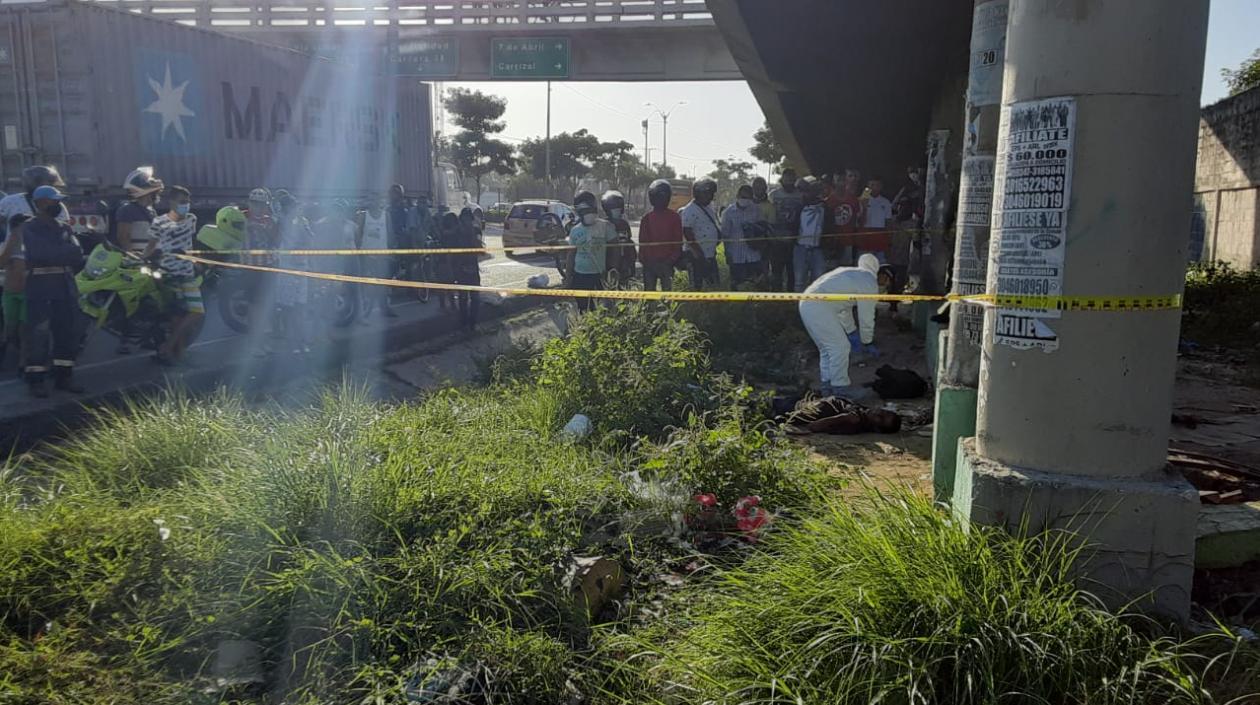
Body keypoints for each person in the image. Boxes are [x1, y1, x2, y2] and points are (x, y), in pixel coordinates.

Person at [22, 185, 84, 397]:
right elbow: (40, 252)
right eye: (54, 201)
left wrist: (60, 252)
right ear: (40, 203)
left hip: (65, 286)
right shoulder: (29, 227)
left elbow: (77, 254)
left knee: (66, 333)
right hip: (40, 288)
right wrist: (63, 251)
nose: (58, 205)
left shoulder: (64, 228)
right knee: (39, 335)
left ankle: (64, 377)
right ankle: (36, 381)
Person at [798, 254, 886, 399]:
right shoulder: (869, 281)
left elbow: (843, 308)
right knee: (840, 347)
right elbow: (867, 315)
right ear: (876, 270)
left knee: (828, 349)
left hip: (807, 302)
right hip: (819, 306)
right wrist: (867, 341)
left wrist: (851, 332)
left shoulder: (850, 273)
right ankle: (841, 389)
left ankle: (827, 388)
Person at [146, 186, 203, 365]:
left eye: (187, 202)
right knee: (176, 317)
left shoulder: (192, 219)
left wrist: (196, 261)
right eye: (182, 202)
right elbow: (152, 246)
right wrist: (144, 258)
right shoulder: (159, 222)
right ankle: (177, 355)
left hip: (187, 272)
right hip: (169, 274)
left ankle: (168, 347)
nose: (186, 205)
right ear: (171, 202)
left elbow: (189, 243)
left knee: (197, 311)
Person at [638, 179, 681, 292]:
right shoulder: (646, 218)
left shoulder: (674, 217)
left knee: (667, 297)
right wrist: (647, 262)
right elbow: (643, 243)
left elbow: (677, 243)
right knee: (650, 296)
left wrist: (670, 261)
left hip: (666, 264)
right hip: (652, 264)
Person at [0, 214, 31, 371]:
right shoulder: (9, 243)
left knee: (25, 330)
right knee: (9, 329)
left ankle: (23, 363)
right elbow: (1, 263)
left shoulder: (34, 243)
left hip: (28, 292)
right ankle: (5, 353)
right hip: (11, 292)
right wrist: (13, 241)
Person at [568, 199, 610, 312]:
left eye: (591, 210)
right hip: (580, 274)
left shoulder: (605, 226)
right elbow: (571, 255)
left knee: (604, 308)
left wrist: (613, 269)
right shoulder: (575, 231)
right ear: (580, 213)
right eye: (586, 211)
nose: (590, 214)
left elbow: (615, 248)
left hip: (600, 274)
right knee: (584, 306)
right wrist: (568, 276)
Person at [679, 178, 721, 289]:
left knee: (714, 286)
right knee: (697, 287)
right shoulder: (690, 210)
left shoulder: (709, 208)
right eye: (708, 193)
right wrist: (699, 253)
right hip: (696, 257)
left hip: (710, 255)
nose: (711, 196)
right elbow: (687, 233)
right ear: (699, 193)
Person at [719, 184, 764, 287]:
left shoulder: (756, 210)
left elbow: (761, 230)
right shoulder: (728, 213)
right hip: (736, 257)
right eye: (743, 197)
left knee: (755, 286)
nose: (745, 200)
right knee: (737, 286)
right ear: (738, 196)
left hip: (754, 256)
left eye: (748, 198)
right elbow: (725, 235)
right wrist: (727, 254)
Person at [357, 197, 395, 317]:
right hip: (366, 253)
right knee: (364, 282)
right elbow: (358, 234)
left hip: (382, 253)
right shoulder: (363, 216)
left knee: (382, 282)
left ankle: (384, 307)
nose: (374, 202)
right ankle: (363, 309)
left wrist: (391, 251)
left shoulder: (386, 215)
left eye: (376, 199)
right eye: (372, 199)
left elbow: (390, 233)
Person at [446, 209, 482, 329]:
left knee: (475, 298)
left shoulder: (475, 231)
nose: (467, 222)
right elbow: (450, 252)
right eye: (464, 219)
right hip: (461, 267)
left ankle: (472, 323)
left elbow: (480, 249)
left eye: (468, 219)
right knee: (463, 297)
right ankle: (464, 323)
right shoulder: (456, 233)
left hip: (473, 267)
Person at [768, 168, 803, 291]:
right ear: (782, 179)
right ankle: (776, 301)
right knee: (776, 273)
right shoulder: (773, 195)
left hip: (795, 242)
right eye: (786, 179)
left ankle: (791, 301)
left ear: (795, 180)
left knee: (792, 273)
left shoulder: (800, 195)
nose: (789, 182)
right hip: (776, 241)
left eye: (791, 180)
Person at [115, 167, 164, 255]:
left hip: (152, 259)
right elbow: (123, 236)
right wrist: (132, 256)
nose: (156, 196)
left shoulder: (152, 211)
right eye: (154, 194)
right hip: (140, 262)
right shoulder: (127, 210)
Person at [794, 177, 829, 292]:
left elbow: (830, 228)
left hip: (818, 249)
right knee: (799, 282)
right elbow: (793, 226)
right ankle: (797, 308)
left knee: (818, 283)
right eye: (803, 191)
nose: (805, 194)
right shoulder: (799, 207)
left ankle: (815, 308)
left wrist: (828, 246)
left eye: (807, 191)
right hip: (800, 248)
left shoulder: (825, 208)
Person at [601, 190, 636, 288]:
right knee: (609, 285)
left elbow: (629, 240)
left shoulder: (624, 224)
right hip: (609, 260)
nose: (617, 212)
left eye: (619, 209)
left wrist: (631, 262)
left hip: (624, 260)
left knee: (624, 284)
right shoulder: (604, 224)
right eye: (614, 209)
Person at [831, 168, 864, 266]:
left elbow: (858, 218)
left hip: (848, 240)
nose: (841, 183)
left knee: (846, 269)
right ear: (834, 182)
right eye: (838, 181)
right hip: (832, 242)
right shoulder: (829, 200)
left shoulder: (853, 199)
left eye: (843, 180)